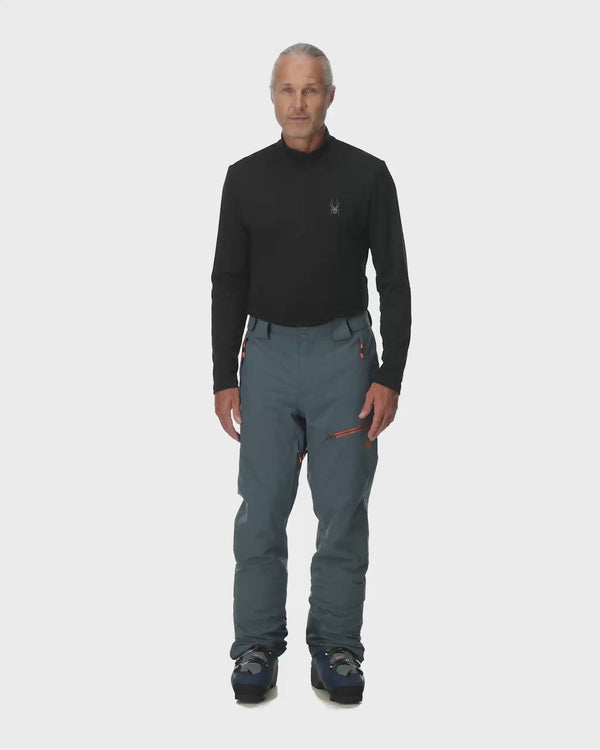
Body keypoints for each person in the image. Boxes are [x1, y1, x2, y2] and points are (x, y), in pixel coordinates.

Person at [211, 42, 411, 703]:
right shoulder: (244, 178)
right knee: (261, 511)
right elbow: (228, 280)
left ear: (330, 96)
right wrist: (223, 375)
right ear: (272, 96)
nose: (299, 103)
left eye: (311, 89)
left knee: (343, 511)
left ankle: (337, 648)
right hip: (265, 359)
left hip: (344, 361)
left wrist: (390, 375)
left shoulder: (367, 176)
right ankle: (256, 646)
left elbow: (395, 281)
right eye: (288, 89)